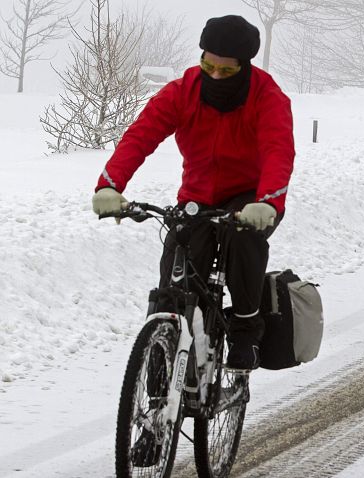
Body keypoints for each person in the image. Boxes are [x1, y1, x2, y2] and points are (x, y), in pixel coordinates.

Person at [91, 15, 295, 371]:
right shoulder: (182, 91)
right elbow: (140, 136)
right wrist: (110, 185)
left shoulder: (267, 97)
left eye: (226, 70)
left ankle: (245, 331)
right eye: (208, 65)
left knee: (242, 239)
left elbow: (278, 151)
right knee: (180, 256)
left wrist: (268, 203)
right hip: (197, 196)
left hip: (251, 196)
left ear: (245, 66)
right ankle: (164, 347)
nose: (214, 75)